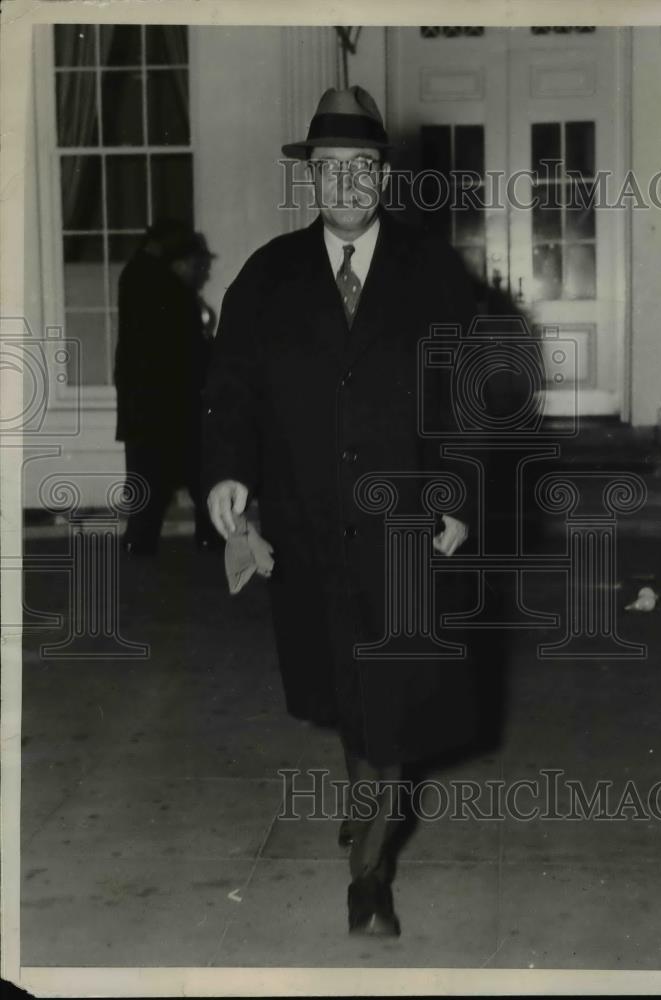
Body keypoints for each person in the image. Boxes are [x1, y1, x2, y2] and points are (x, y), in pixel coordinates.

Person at [203, 86, 482, 935]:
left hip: (405, 526)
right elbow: (231, 390)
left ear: (384, 177)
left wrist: (458, 493)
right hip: (308, 525)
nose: (348, 184)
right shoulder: (267, 276)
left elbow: (470, 394)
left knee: (387, 698)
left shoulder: (431, 272)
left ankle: (370, 877)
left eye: (363, 167)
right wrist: (227, 474)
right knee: (344, 686)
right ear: (311, 179)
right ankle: (368, 804)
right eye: (331, 169)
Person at [115, 221, 220, 554]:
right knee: (196, 468)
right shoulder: (171, 290)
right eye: (197, 265)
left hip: (145, 396)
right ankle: (208, 534)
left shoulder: (137, 275)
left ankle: (140, 540)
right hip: (172, 398)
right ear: (180, 261)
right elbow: (190, 350)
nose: (201, 273)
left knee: (148, 475)